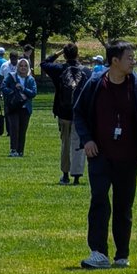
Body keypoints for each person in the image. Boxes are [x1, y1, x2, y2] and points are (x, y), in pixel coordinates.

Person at [72, 40, 137, 269]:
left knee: (123, 206)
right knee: (99, 201)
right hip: (100, 155)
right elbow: (78, 112)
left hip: (128, 157)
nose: (133, 62)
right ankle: (98, 253)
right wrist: (87, 139)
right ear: (115, 61)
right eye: (129, 58)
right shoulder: (95, 83)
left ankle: (122, 254)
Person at [42, 43, 89, 184]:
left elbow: (44, 63)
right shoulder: (86, 71)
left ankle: (65, 174)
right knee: (78, 144)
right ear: (78, 54)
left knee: (65, 144)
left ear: (65, 55)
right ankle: (77, 175)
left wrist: (58, 53)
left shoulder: (59, 69)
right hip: (80, 113)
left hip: (63, 113)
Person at [1, 57, 38, 157]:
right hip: (13, 107)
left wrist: (23, 89)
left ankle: (20, 151)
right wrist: (13, 92)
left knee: (22, 130)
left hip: (25, 108)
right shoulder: (11, 76)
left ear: (28, 67)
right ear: (17, 67)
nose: (23, 68)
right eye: (21, 66)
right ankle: (13, 150)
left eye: (25, 66)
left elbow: (33, 93)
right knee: (14, 128)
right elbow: (3, 87)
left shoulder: (30, 79)